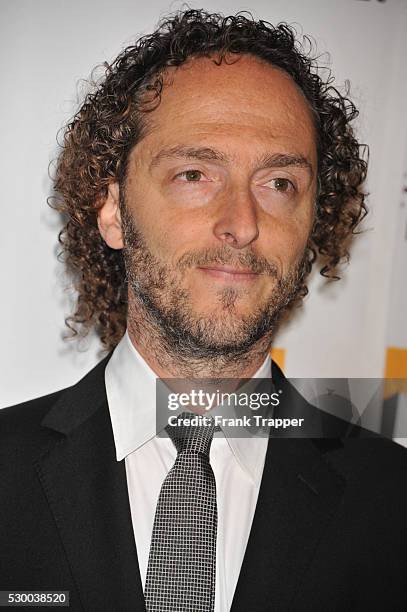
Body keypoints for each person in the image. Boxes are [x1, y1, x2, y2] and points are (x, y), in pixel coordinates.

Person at [1, 9, 406, 612]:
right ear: (113, 210)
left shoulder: (393, 502)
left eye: (279, 184)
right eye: (194, 174)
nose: (242, 224)